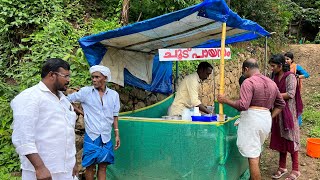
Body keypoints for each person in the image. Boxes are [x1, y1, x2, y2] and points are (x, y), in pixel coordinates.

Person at [217, 58, 285, 180]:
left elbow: (243, 105)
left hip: (252, 119)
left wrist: (225, 100)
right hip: (265, 119)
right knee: (256, 151)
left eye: (243, 72)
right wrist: (269, 115)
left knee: (252, 156)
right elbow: (281, 104)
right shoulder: (271, 83)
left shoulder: (248, 82)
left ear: (246, 69)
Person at [11, 58, 78, 180]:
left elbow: (68, 132)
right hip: (43, 171)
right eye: (66, 76)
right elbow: (23, 136)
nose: (68, 80)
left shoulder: (63, 100)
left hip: (65, 169)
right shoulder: (30, 97)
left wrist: (73, 162)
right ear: (52, 75)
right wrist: (40, 167)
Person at [67, 65, 120, 180]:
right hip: (91, 136)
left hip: (106, 136)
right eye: (92, 77)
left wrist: (116, 134)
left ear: (105, 78)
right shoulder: (86, 92)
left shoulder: (114, 95)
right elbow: (67, 100)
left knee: (103, 166)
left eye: (97, 77)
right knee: (90, 167)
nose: (94, 80)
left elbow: (115, 115)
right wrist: (81, 112)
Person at [269, 54, 302, 180]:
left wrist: (274, 95)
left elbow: (290, 94)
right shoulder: (274, 76)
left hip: (288, 113)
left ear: (280, 65)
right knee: (281, 139)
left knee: (291, 139)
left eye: (273, 66)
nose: (271, 68)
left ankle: (296, 169)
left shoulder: (290, 77)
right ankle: (282, 167)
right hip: (278, 113)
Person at [284, 52, 309, 126]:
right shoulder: (282, 67)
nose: (285, 61)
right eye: (284, 59)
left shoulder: (296, 67)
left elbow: (306, 74)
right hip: (285, 89)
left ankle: (298, 122)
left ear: (292, 60)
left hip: (294, 89)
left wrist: (297, 76)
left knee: (296, 104)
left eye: (287, 59)